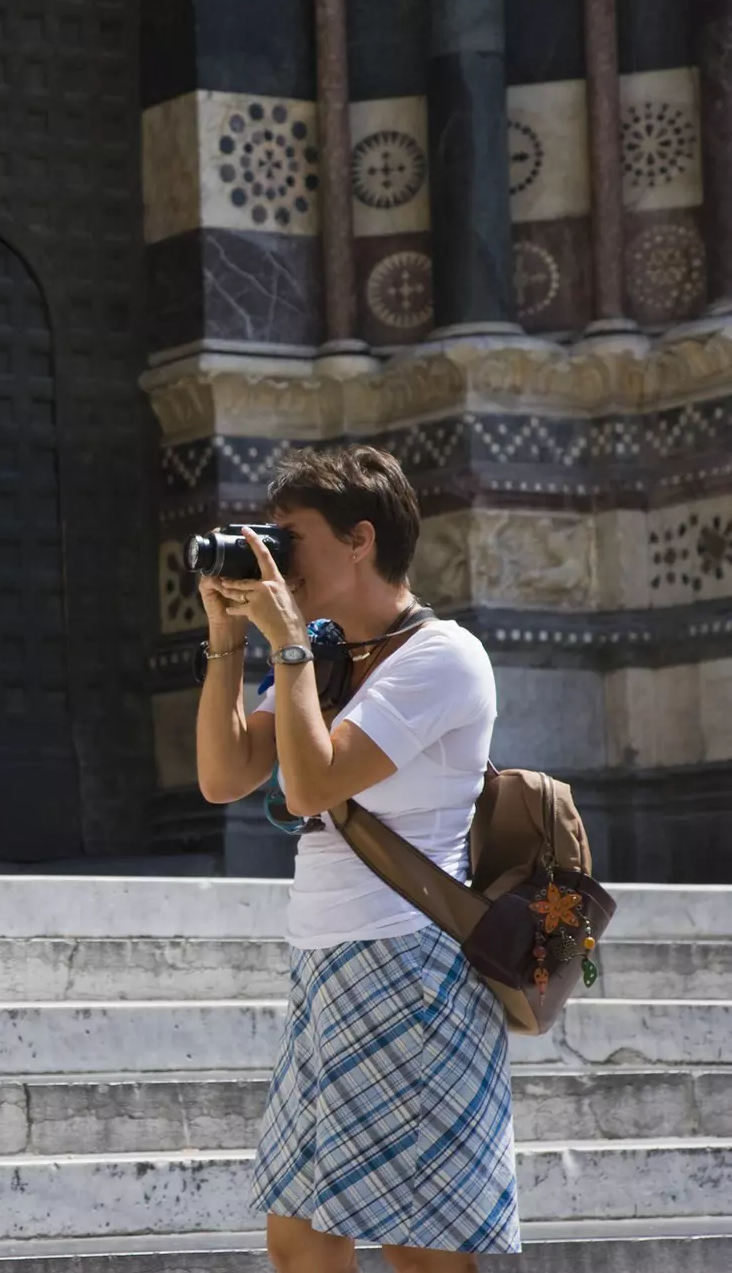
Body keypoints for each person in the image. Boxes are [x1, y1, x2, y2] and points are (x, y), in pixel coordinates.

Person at [194, 446, 515, 1273]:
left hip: (409, 966)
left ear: (360, 539)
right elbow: (225, 774)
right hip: (325, 961)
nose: (278, 557)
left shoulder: (443, 658)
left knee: (423, 1243)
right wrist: (229, 639)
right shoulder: (330, 657)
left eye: (291, 537)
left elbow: (310, 785)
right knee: (299, 1238)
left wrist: (289, 644)